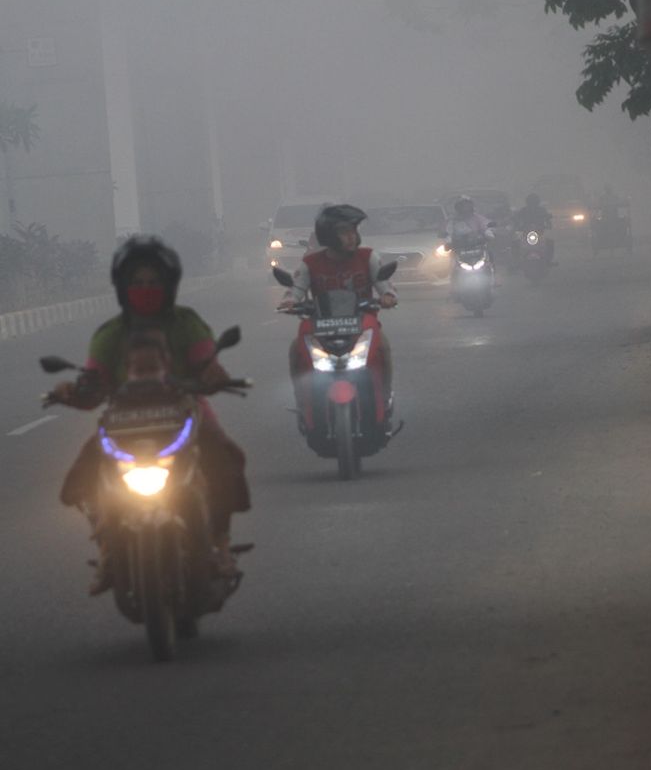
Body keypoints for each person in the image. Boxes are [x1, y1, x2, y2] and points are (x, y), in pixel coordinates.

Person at [53, 236, 250, 595]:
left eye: (153, 283)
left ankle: (220, 545)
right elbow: (93, 383)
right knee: (80, 478)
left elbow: (209, 365)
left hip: (186, 417)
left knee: (226, 459)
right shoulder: (110, 334)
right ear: (123, 287)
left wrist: (213, 377)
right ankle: (108, 545)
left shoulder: (187, 323)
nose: (145, 290)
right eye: (137, 283)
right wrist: (71, 392)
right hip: (121, 426)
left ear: (168, 285)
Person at [278, 204, 397, 428]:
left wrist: (388, 296)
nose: (352, 237)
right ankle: (303, 404)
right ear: (329, 236)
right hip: (320, 328)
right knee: (296, 349)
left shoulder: (368, 257)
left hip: (362, 326)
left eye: (353, 231)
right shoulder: (310, 263)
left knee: (384, 346)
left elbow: (385, 286)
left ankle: (385, 397)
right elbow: (295, 290)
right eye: (344, 232)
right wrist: (289, 302)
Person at [446, 195, 497, 286]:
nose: (465, 208)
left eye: (467, 205)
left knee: (490, 255)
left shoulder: (478, 218)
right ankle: (453, 285)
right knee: (451, 263)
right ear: (458, 208)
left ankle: (493, 279)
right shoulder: (453, 220)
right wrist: (448, 242)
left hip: (477, 247)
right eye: (462, 206)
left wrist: (489, 235)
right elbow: (448, 232)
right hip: (459, 249)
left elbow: (485, 227)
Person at [512, 193, 555, 263]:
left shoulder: (541, 210)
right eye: (531, 202)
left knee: (549, 242)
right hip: (526, 234)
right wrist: (516, 226)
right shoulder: (524, 210)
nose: (532, 204)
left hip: (540, 233)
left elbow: (547, 219)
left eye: (534, 202)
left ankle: (548, 260)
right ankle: (516, 260)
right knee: (515, 243)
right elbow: (516, 218)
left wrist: (548, 225)